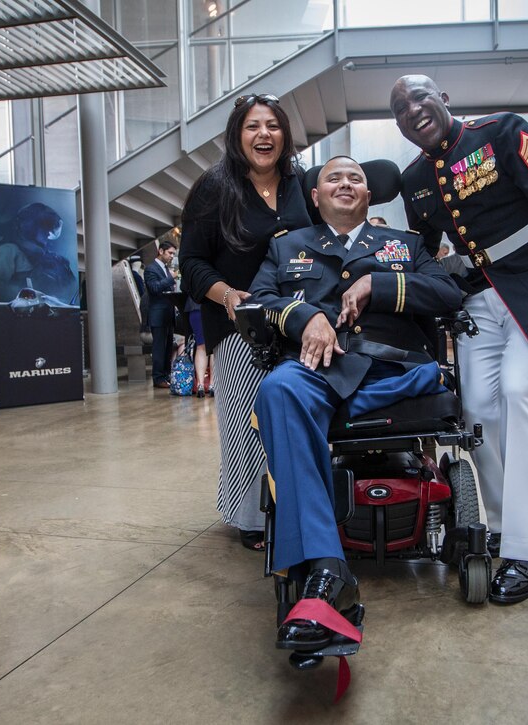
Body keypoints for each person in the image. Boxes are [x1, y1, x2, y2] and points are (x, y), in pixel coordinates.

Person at [390, 74, 528, 605]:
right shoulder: (416, 179)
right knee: (477, 410)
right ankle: (503, 524)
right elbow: (423, 252)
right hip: (478, 303)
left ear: (444, 99)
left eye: (420, 97)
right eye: (400, 108)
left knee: (518, 394)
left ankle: (525, 553)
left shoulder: (502, 131)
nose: (413, 110)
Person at [249, 155, 462, 650]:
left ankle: (320, 563)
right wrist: (304, 316)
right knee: (279, 388)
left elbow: (449, 292)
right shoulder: (287, 248)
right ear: (316, 196)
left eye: (356, 178)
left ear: (369, 195)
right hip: (321, 368)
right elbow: (257, 302)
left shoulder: (405, 245)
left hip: (395, 367)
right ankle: (327, 568)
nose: (346, 183)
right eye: (333, 178)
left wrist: (380, 284)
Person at [180, 93, 313, 551]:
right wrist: (228, 296)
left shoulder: (301, 185)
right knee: (247, 421)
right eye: (253, 126)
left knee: (292, 417)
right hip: (239, 325)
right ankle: (252, 518)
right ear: (238, 135)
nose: (264, 135)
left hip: (294, 322)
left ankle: (295, 504)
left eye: (273, 126)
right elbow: (192, 262)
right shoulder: (214, 187)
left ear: (285, 135)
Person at [0, 202, 77, 304]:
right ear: (30, 227)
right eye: (45, 227)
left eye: (50, 227)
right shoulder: (10, 251)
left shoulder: (57, 260)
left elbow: (72, 291)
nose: (48, 233)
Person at [146, 241, 179, 389]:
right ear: (160, 251)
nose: (172, 256)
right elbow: (154, 288)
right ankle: (158, 377)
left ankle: (165, 375)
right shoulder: (151, 269)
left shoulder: (165, 269)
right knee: (159, 347)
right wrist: (170, 279)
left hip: (168, 314)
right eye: (170, 253)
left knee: (168, 348)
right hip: (158, 315)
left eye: (173, 254)